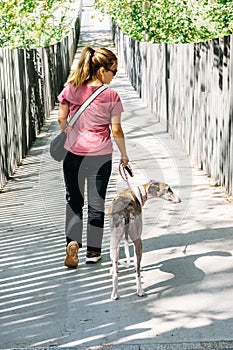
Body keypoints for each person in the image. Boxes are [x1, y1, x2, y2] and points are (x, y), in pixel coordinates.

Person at [57, 46, 129, 268]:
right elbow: (116, 130)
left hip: (73, 155)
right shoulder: (111, 95)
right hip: (100, 156)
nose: (114, 76)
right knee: (96, 204)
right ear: (101, 71)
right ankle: (93, 252)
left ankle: (73, 246)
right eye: (113, 71)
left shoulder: (71, 89)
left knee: (74, 201)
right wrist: (124, 156)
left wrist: (72, 135)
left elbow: (61, 120)